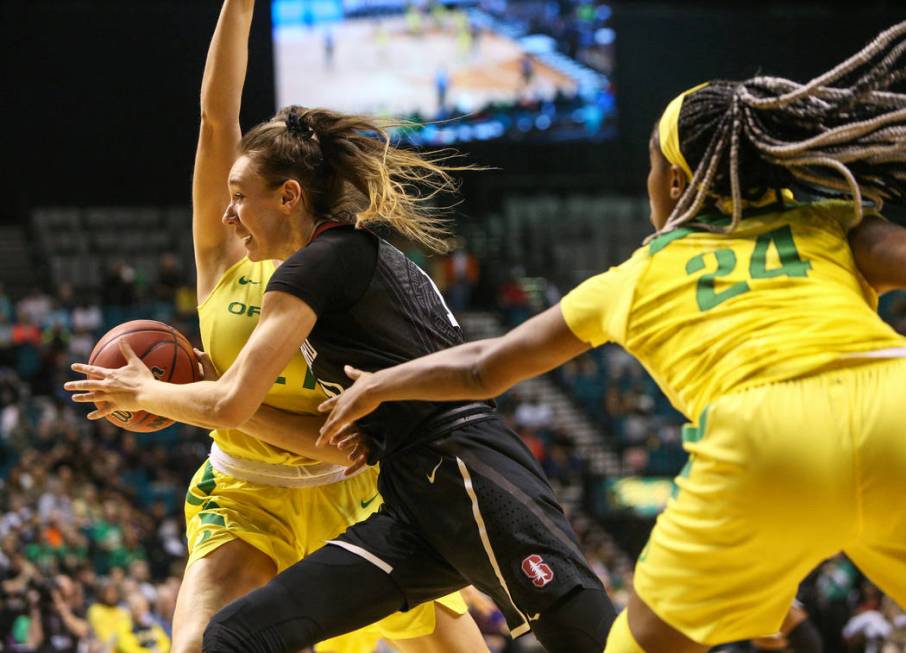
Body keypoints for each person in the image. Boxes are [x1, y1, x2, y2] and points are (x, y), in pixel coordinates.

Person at [314, 21, 906, 653]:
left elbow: (486, 365)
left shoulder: (638, 274)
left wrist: (381, 383)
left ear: (675, 184)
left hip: (765, 433)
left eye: (651, 167)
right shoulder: (827, 221)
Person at [64, 16, 616, 653]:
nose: (225, 208)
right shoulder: (224, 258)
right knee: (202, 644)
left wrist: (184, 398)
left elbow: (329, 444)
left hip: (355, 489)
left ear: (290, 196)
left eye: (241, 195)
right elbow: (218, 118)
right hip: (246, 491)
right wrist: (239, 7)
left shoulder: (338, 280)